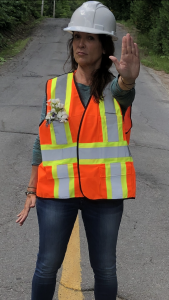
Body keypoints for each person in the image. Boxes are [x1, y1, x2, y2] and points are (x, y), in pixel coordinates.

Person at [16, 1, 140, 300]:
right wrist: (31, 188)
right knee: (46, 267)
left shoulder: (115, 91)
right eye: (77, 37)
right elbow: (43, 139)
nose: (80, 44)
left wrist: (129, 78)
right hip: (57, 194)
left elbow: (124, 89)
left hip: (104, 195)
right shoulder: (56, 88)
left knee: (105, 270)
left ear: (103, 45)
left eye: (90, 38)